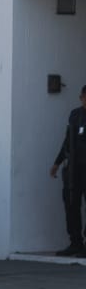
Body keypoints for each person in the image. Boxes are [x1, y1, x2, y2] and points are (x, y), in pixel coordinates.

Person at [51, 84, 86, 257]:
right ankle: (75, 242)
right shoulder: (75, 115)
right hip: (74, 170)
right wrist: (57, 162)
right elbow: (67, 141)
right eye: (84, 97)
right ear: (81, 98)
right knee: (71, 204)